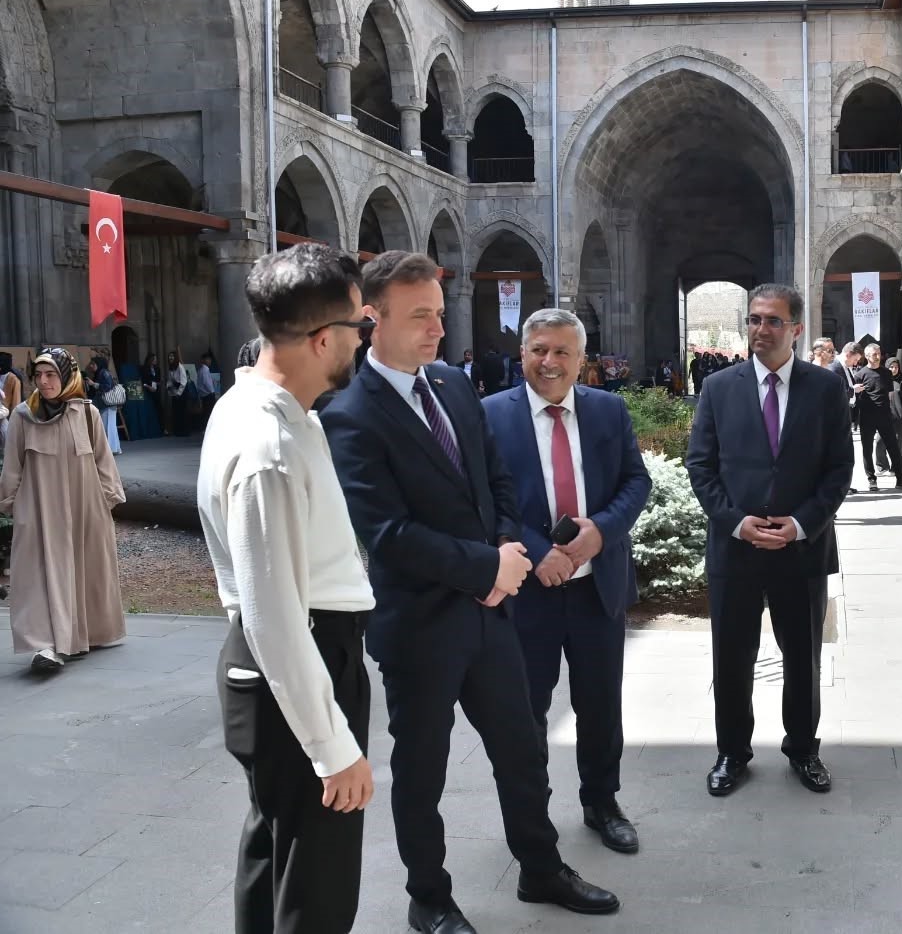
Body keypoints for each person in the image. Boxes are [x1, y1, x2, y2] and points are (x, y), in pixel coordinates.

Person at [320, 251, 619, 932]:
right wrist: (488, 569)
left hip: (492, 620)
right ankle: (429, 898)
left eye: (437, 311)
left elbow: (499, 480)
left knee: (522, 751)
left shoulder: (453, 385)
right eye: (420, 315)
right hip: (420, 627)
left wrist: (507, 552)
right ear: (373, 318)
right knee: (421, 775)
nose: (436, 326)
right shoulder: (349, 414)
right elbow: (388, 533)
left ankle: (540, 869)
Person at [196, 244, 376, 934]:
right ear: (324, 338)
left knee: (275, 856)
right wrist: (333, 748)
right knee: (316, 883)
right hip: (297, 659)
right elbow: (275, 619)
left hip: (296, 658)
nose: (364, 340)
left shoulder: (275, 412)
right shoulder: (266, 444)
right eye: (360, 326)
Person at [483, 308, 652, 854]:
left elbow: (635, 480)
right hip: (526, 595)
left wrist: (600, 532)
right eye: (539, 350)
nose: (549, 362)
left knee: (601, 705)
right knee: (526, 710)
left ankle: (602, 801)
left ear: (582, 359)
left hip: (597, 588)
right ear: (523, 354)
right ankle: (533, 814)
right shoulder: (490, 416)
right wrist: (538, 552)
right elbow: (483, 501)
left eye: (562, 352)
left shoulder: (608, 411)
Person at [685, 283, 854, 797]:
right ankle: (732, 752)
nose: (761, 329)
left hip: (800, 550)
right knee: (732, 658)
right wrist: (737, 522)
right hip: (735, 550)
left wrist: (801, 524)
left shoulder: (825, 389)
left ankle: (803, 749)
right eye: (754, 320)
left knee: (802, 657)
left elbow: (838, 469)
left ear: (796, 329)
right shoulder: (718, 388)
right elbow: (702, 466)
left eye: (772, 321)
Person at [0, 348, 126, 672]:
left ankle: (83, 634)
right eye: (38, 375)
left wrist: (108, 503)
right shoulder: (22, 417)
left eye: (51, 374)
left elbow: (103, 461)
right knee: (38, 575)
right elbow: (11, 468)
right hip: (38, 510)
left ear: (68, 376)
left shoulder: (86, 413)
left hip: (85, 507)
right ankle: (44, 646)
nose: (43, 382)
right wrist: (11, 508)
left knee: (84, 569)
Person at [854, 343, 902, 492]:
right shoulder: (860, 375)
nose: (877, 356)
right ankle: (871, 479)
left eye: (879, 353)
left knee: (893, 447)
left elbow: (888, 393)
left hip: (885, 416)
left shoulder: (886, 373)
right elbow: (856, 397)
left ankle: (901, 479)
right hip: (867, 417)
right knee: (867, 449)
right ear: (867, 356)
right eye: (874, 354)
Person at [84, 357, 123, 455]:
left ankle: (110, 450)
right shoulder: (100, 373)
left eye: (93, 364)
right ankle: (115, 448)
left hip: (107, 403)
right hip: (106, 404)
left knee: (108, 426)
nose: (91, 366)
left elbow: (107, 387)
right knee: (110, 426)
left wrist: (94, 384)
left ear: (99, 364)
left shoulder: (103, 373)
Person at [166, 350, 190, 436]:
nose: (170, 358)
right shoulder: (171, 368)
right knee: (176, 412)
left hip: (182, 392)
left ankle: (184, 431)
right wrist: (169, 388)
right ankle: (178, 430)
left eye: (172, 356)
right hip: (175, 391)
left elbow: (183, 382)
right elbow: (170, 380)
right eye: (169, 356)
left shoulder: (180, 367)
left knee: (182, 412)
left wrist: (179, 393)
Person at [141, 351, 164, 431]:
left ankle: (162, 428)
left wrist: (159, 382)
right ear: (150, 360)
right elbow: (143, 382)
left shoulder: (157, 369)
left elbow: (158, 380)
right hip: (147, 391)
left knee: (159, 408)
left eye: (156, 359)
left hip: (156, 391)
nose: (155, 360)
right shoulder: (144, 369)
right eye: (154, 359)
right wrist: (148, 387)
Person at [196, 352, 219, 423]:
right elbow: (207, 383)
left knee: (205, 413)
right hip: (208, 395)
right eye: (208, 359)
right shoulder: (205, 369)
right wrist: (212, 392)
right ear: (203, 360)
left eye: (210, 359)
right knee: (209, 413)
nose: (209, 361)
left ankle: (204, 428)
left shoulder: (200, 370)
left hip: (203, 395)